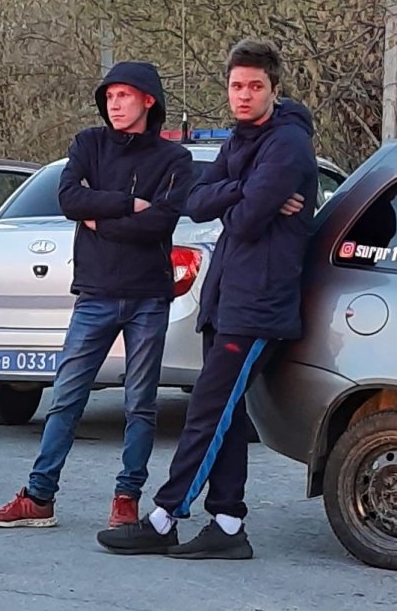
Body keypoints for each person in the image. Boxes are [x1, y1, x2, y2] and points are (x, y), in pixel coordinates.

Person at [97, 39, 317, 561]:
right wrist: (244, 188)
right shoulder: (242, 141)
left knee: (208, 409)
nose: (243, 95)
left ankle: (164, 515)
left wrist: (235, 196)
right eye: (236, 86)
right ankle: (227, 522)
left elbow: (240, 219)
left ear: (274, 90)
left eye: (255, 87)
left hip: (259, 302)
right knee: (227, 415)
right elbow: (196, 203)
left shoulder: (286, 145)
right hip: (226, 295)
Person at [0, 63, 193, 531]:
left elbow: (158, 224)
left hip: (147, 297)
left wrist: (101, 215)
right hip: (95, 294)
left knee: (140, 403)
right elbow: (70, 201)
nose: (115, 104)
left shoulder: (173, 160)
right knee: (67, 397)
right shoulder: (88, 145)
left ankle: (126, 498)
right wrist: (125, 204)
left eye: (124, 95)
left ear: (148, 100)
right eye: (109, 96)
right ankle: (39, 497)